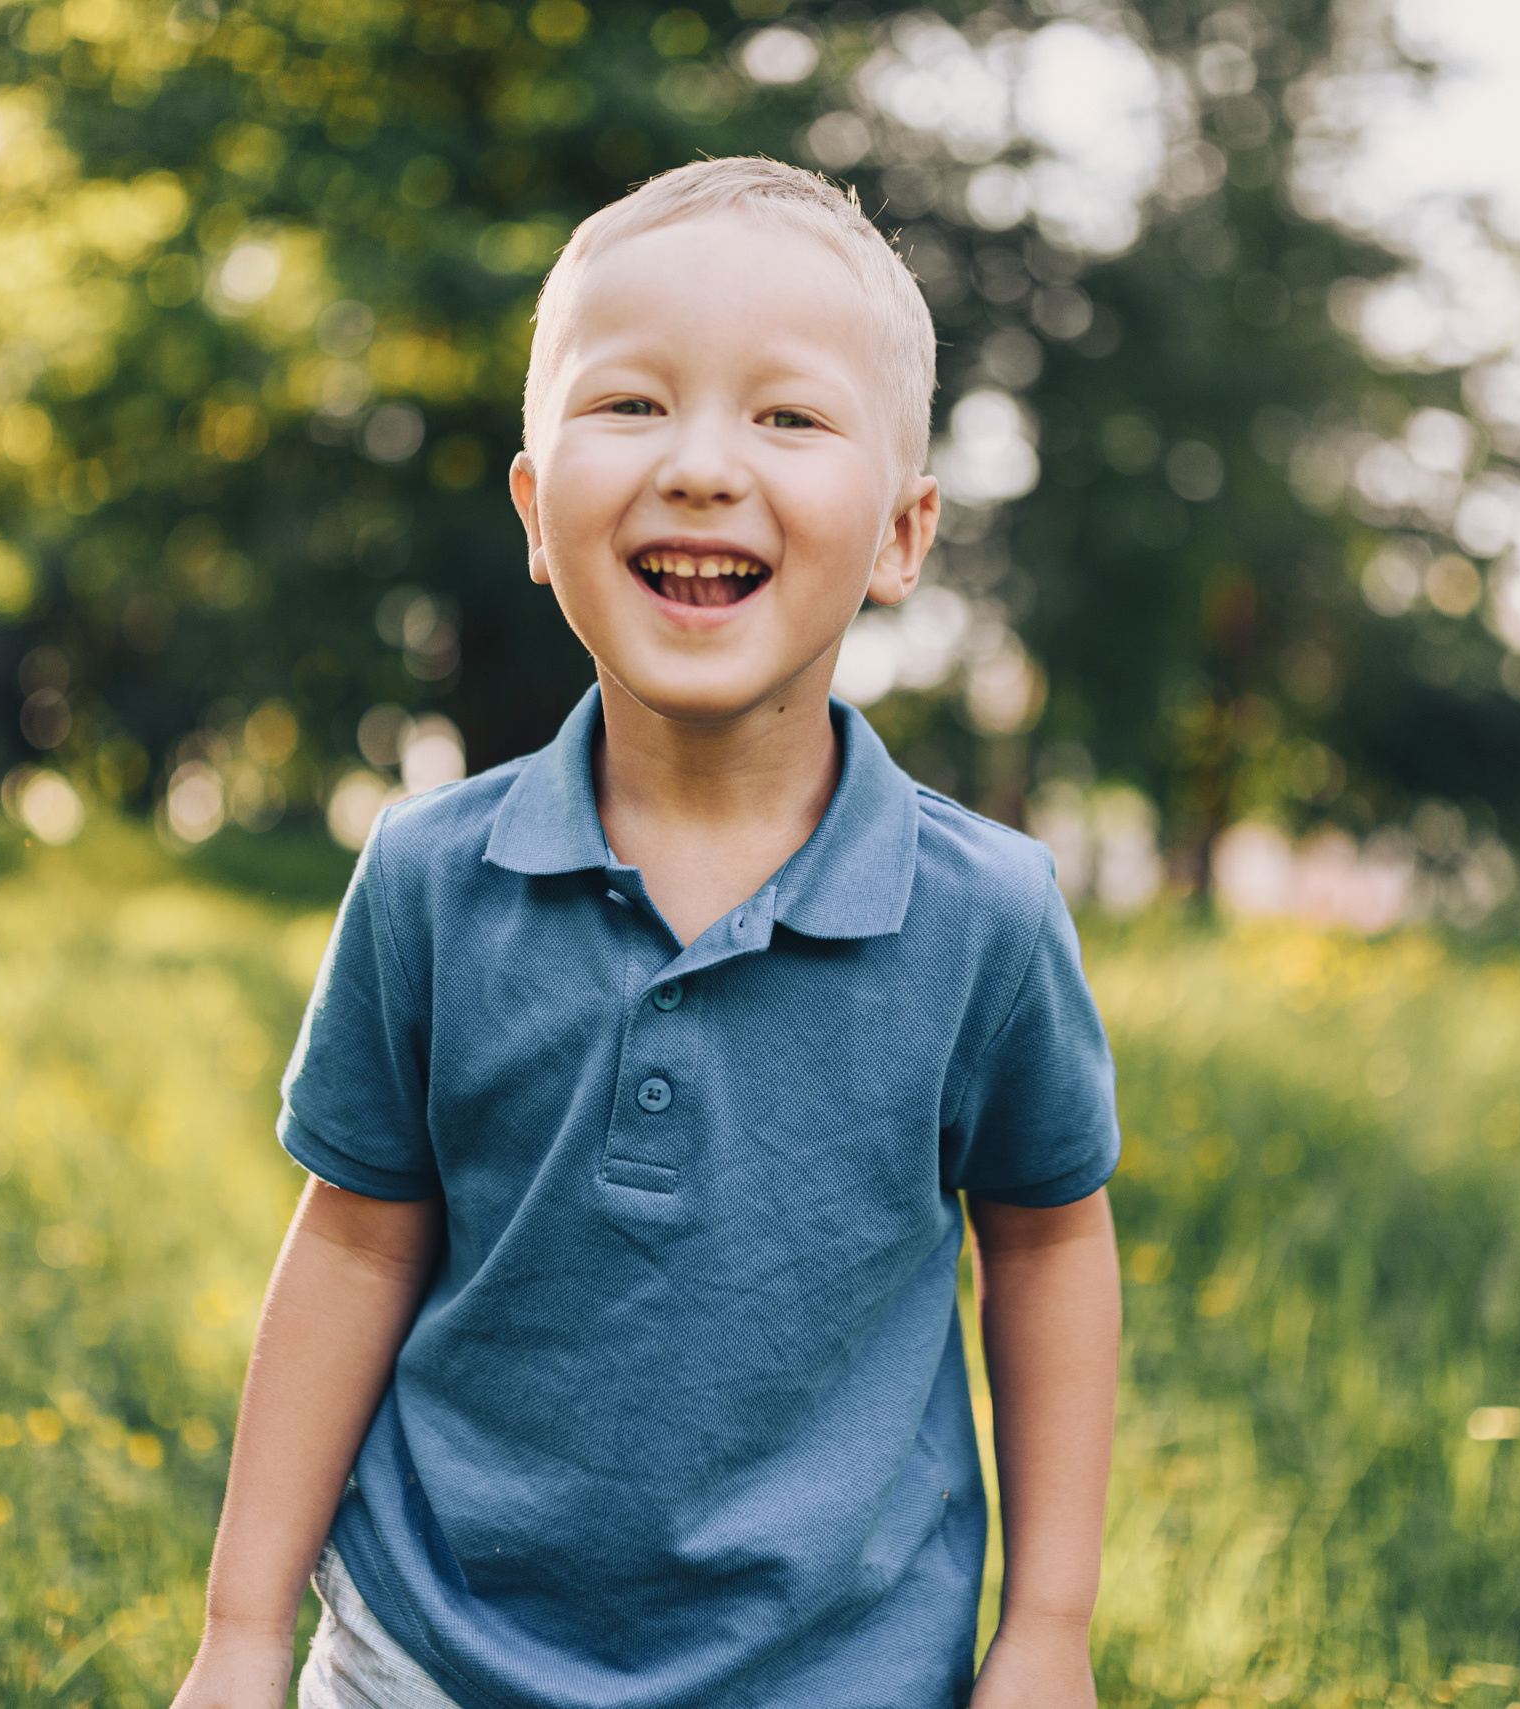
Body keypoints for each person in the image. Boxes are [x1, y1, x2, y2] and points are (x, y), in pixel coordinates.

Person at [167, 157, 1123, 1709]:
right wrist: (239, 1628)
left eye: (788, 416)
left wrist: (1050, 1631)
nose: (699, 466)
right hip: (433, 1653)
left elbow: (1048, 1247)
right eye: (631, 406)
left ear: (901, 534)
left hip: (835, 1671)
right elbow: (351, 1242)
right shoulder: (429, 874)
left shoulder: (986, 916)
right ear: (539, 513)